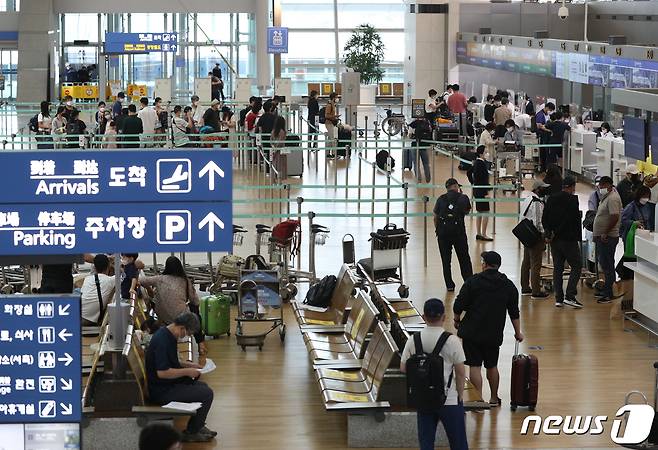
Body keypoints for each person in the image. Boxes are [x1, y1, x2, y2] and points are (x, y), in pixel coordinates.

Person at [453, 251, 523, 406]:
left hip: (472, 332)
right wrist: (518, 332)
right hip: (494, 332)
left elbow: (459, 304)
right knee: (492, 365)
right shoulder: (508, 285)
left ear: (484, 264)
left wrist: (457, 319)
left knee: (475, 366)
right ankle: (493, 398)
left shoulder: (473, 282)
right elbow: (514, 312)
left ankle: (478, 400)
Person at [400, 298, 468, 450]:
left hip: (424, 399)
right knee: (458, 443)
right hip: (449, 399)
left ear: (424, 317)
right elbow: (460, 371)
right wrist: (460, 396)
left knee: (426, 443)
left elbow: (403, 368)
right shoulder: (452, 341)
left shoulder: (413, 340)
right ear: (444, 317)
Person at [145, 312, 216, 443]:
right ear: (182, 327)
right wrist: (187, 371)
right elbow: (162, 372)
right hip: (161, 391)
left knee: (203, 387)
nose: (186, 336)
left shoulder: (167, 334)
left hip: (166, 385)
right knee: (206, 394)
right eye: (188, 333)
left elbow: (173, 362)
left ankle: (197, 425)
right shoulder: (162, 340)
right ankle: (191, 432)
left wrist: (190, 365)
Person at [139, 256, 205, 354]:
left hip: (163, 317)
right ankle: (201, 344)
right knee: (195, 312)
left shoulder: (159, 279)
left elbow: (141, 280)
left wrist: (149, 289)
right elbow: (195, 301)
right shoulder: (185, 281)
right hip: (180, 317)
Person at [542, 176, 583, 308]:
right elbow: (572, 220)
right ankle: (570, 295)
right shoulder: (572, 200)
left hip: (554, 240)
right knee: (577, 265)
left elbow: (545, 218)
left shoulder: (552, 198)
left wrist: (549, 233)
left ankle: (558, 299)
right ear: (571, 187)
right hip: (568, 239)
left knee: (558, 268)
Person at [434, 178, 473, 292]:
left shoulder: (441, 199)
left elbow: (435, 216)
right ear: (456, 186)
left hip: (443, 233)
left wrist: (438, 230)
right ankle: (468, 282)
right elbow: (467, 211)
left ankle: (449, 285)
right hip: (458, 232)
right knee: (464, 258)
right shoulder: (463, 197)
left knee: (446, 260)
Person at [593, 176, 623, 304]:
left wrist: (605, 232)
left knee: (607, 265)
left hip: (608, 237)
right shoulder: (607, 197)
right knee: (605, 264)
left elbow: (615, 217)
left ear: (609, 185)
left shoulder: (613, 198)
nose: (600, 188)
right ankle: (606, 289)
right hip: (603, 236)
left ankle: (608, 293)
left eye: (602, 185)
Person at [520, 179, 550, 299]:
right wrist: (544, 235)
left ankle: (525, 287)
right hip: (535, 236)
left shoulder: (527, 198)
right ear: (538, 189)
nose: (545, 190)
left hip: (526, 234)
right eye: (543, 188)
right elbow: (538, 222)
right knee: (536, 264)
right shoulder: (537, 202)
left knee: (526, 262)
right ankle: (536, 291)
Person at [80, 254, 115, 326]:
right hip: (88, 321)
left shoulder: (87, 279)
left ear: (95, 267)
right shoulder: (111, 281)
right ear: (108, 266)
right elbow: (124, 274)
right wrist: (114, 264)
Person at [621, 186, 654, 251]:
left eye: (647, 196)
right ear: (639, 196)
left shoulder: (647, 206)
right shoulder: (631, 207)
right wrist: (633, 223)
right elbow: (623, 220)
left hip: (644, 235)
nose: (646, 199)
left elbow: (648, 220)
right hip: (632, 235)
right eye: (644, 196)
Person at [471, 145, 493, 241]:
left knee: (479, 211)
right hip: (482, 191)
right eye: (485, 152)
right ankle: (483, 234)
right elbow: (482, 179)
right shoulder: (481, 164)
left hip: (477, 190)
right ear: (481, 153)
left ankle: (479, 233)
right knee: (486, 212)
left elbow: (469, 173)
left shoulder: (476, 163)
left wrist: (473, 183)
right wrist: (486, 191)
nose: (487, 153)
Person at [535, 102, 556, 172]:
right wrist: (549, 130)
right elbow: (539, 126)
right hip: (543, 135)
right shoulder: (539, 115)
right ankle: (543, 167)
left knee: (547, 152)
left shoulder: (547, 114)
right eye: (550, 110)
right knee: (543, 152)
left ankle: (547, 167)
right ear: (547, 108)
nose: (550, 111)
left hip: (547, 136)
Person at [270, 115, 288, 180]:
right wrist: (277, 147)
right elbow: (281, 142)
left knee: (275, 164)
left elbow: (271, 141)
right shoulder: (282, 132)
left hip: (274, 150)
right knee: (281, 165)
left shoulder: (273, 131)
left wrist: (274, 148)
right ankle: (281, 178)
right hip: (281, 151)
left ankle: (274, 177)